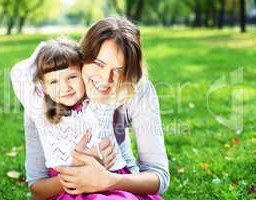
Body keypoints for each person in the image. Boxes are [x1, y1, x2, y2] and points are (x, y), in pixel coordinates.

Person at [23, 16, 169, 200]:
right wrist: (79, 171)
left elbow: (159, 177)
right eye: (99, 64)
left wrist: (109, 179)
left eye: (119, 70)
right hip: (69, 191)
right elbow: (37, 187)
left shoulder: (137, 90)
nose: (105, 79)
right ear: (82, 56)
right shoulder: (43, 102)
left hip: (121, 183)